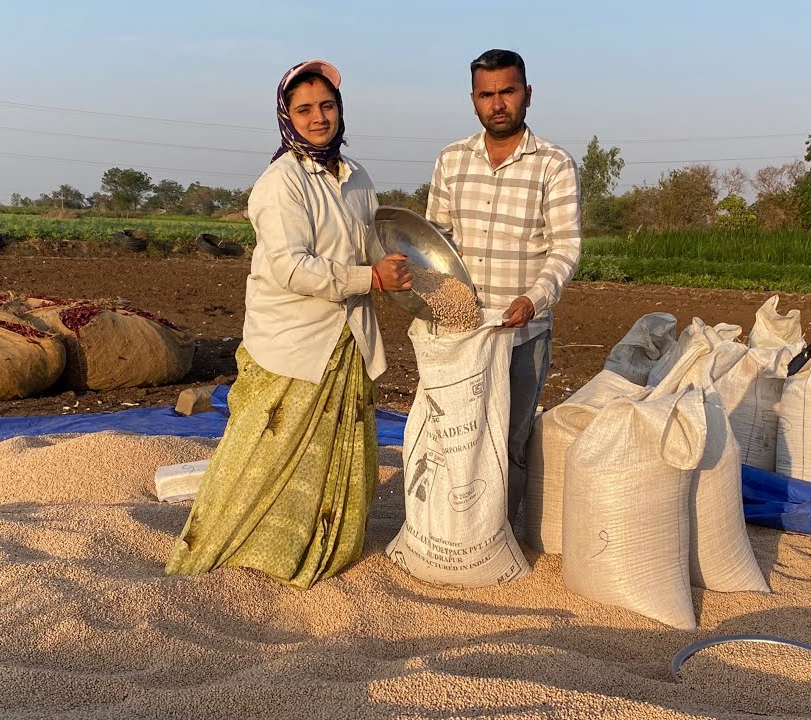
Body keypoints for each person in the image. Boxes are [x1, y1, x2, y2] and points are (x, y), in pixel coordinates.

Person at [167, 60, 412, 589]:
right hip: (293, 341)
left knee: (332, 455)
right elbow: (290, 268)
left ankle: (322, 544)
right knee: (264, 457)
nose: (318, 117)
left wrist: (394, 267)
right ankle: (236, 555)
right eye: (304, 109)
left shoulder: (355, 177)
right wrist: (369, 277)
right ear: (286, 116)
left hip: (346, 338)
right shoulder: (280, 184)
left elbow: (371, 244)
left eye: (327, 106)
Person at [426, 49, 582, 526]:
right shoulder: (452, 160)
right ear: (473, 99)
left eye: (507, 92)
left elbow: (565, 249)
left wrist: (532, 301)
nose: (498, 103)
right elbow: (435, 241)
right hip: (459, 334)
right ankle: (451, 529)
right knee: (451, 437)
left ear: (527, 95)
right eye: (487, 94)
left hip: (522, 335)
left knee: (509, 440)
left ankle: (498, 536)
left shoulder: (553, 164)